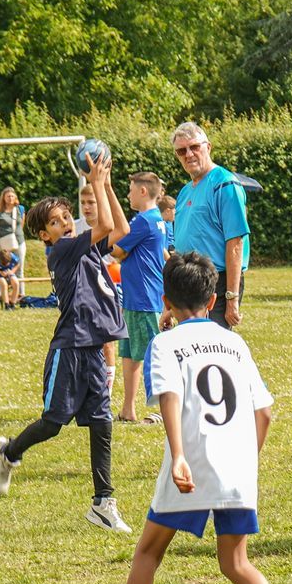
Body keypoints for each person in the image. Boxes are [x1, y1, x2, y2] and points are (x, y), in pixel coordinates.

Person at [81, 252, 292, 584]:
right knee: (236, 562)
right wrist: (247, 460)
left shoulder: (165, 343)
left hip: (191, 463)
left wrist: (179, 454)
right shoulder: (235, 343)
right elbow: (265, 413)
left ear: (165, 302)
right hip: (236, 467)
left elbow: (169, 396)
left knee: (148, 553)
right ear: (212, 301)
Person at [0, 154, 133, 533]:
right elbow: (104, 225)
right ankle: (8, 452)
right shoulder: (63, 251)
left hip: (93, 349)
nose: (65, 223)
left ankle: (103, 502)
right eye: (55, 222)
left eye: (67, 217)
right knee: (53, 423)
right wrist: (96, 181)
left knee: (102, 423)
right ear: (44, 236)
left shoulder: (86, 248)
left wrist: (108, 185)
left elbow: (119, 228)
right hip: (69, 349)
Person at [170, 122, 250, 329]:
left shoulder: (225, 184)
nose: (189, 154)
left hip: (215, 281)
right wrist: (169, 307)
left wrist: (231, 297)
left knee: (211, 343)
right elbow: (180, 246)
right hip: (187, 279)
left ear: (208, 147)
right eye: (181, 151)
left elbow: (236, 242)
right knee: (188, 341)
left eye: (194, 147)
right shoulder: (184, 192)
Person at [113, 172, 168, 422]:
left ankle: (166, 408)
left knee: (153, 355)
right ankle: (128, 410)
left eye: (131, 189)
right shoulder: (155, 219)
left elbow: (118, 250)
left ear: (143, 191)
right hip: (137, 298)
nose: (128, 195)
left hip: (144, 299)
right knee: (129, 354)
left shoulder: (144, 221)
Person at [0, 187, 26, 283]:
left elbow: (21, 224)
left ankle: (20, 291)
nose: (10, 198)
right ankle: (1, 291)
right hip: (2, 242)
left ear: (15, 197)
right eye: (8, 196)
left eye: (12, 196)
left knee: (19, 268)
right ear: (3, 198)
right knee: (0, 267)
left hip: (19, 241)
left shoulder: (20, 209)